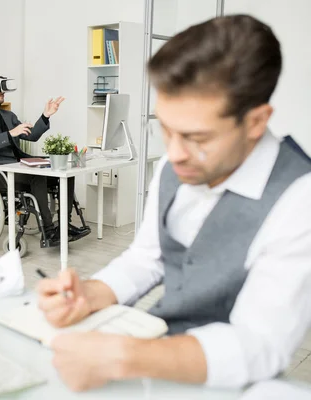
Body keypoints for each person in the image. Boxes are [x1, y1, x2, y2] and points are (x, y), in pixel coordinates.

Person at [37, 14, 311, 391]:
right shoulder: (173, 166)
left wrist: (121, 356)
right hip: (158, 353)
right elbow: (146, 258)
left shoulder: (299, 199)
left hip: (231, 382)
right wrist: (91, 292)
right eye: (165, 128)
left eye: (197, 137)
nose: (175, 153)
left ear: (256, 121)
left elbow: (260, 345)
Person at [0, 74, 90, 246]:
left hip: (19, 164)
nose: (1, 91)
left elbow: (31, 135)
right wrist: (11, 134)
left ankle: (64, 225)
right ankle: (48, 232)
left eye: (1, 87)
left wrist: (45, 116)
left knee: (64, 170)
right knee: (36, 175)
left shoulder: (8, 115)